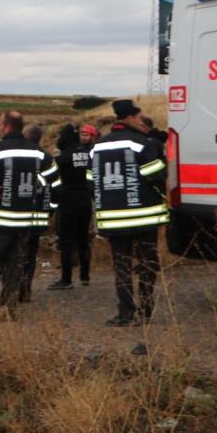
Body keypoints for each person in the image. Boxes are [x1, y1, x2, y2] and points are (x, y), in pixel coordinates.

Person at [0, 111, 59, 324]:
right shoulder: (39, 153)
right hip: (25, 220)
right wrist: (49, 211)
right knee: (15, 264)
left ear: (7, 126)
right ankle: (9, 310)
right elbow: (55, 183)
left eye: (0, 124)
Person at [89, 100, 168, 327]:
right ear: (131, 118)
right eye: (139, 116)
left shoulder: (98, 146)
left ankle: (124, 313)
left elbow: (90, 182)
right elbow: (156, 176)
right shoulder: (143, 144)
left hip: (113, 218)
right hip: (145, 216)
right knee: (147, 263)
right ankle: (145, 312)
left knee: (121, 266)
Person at [49, 124, 96, 290]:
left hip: (68, 202)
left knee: (66, 240)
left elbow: (52, 181)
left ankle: (66, 279)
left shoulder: (62, 158)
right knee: (83, 239)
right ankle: (85, 276)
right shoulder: (87, 155)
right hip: (85, 201)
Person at [19, 124, 52, 303]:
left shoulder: (20, 156)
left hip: (17, 216)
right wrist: (50, 210)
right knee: (30, 255)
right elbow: (56, 187)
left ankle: (14, 289)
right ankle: (25, 290)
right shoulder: (46, 157)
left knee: (16, 253)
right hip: (39, 217)